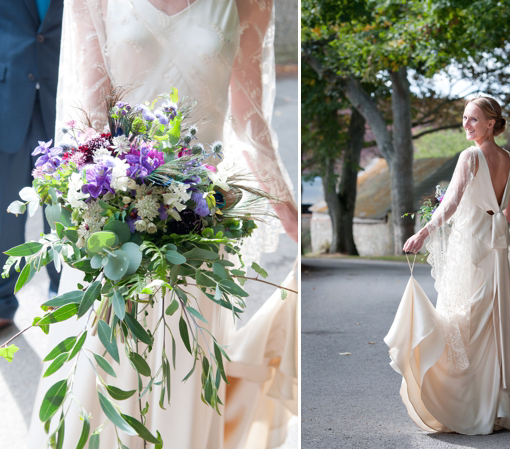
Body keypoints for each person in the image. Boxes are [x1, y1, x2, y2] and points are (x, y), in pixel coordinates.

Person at [27, 0, 298, 448]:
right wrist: (104, 195)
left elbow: (249, 117)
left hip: (201, 220)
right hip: (114, 211)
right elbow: (89, 109)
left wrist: (286, 205)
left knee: (183, 366)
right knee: (106, 365)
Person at [385, 96, 510, 435]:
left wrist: (424, 232)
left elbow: (450, 203)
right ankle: (496, 408)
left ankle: (464, 408)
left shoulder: (471, 156)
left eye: (474, 120)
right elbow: (508, 213)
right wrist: (497, 234)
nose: (466, 125)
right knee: (491, 323)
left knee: (465, 323)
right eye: (465, 118)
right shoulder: (509, 159)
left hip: (473, 250)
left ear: (491, 123)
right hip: (497, 250)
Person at [0, 0, 62, 330]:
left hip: (63, 91)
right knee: (3, 209)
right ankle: (1, 302)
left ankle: (62, 292)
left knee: (64, 206)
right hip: (8, 90)